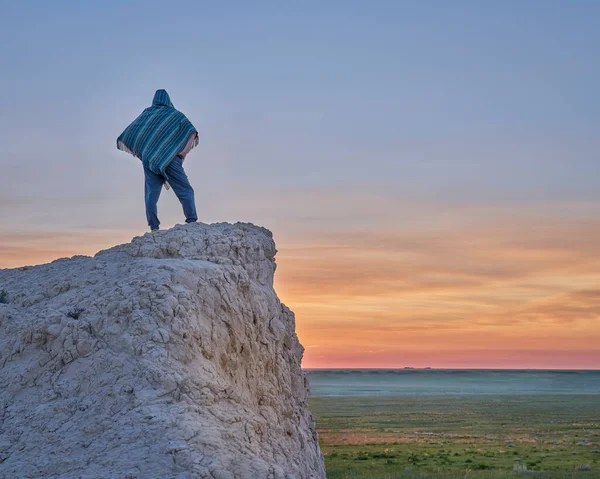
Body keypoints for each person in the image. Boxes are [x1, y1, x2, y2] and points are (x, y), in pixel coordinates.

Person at [117, 89, 199, 232]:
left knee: (150, 194)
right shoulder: (175, 115)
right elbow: (192, 131)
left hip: (150, 161)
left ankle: (154, 227)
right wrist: (183, 152)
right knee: (185, 190)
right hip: (171, 159)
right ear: (168, 100)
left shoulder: (147, 114)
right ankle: (191, 221)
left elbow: (130, 133)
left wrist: (144, 152)